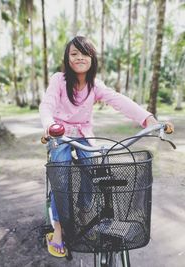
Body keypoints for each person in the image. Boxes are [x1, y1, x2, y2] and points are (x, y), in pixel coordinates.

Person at [39, 36, 173, 257]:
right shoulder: (59, 80)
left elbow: (119, 100)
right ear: (67, 58)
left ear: (92, 57)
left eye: (85, 53)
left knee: (94, 170)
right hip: (60, 133)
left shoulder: (95, 85)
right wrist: (49, 124)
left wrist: (148, 119)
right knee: (61, 175)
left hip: (83, 133)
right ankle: (59, 230)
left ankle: (82, 212)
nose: (79, 57)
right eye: (74, 53)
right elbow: (48, 104)